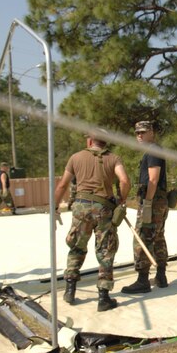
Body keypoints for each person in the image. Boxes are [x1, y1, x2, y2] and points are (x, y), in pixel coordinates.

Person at [54, 129, 130, 312]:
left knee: (77, 247)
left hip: (81, 207)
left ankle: (70, 289)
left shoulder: (76, 157)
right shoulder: (114, 158)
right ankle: (103, 297)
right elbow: (125, 181)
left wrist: (54, 206)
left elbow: (63, 184)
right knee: (105, 250)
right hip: (104, 208)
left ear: (90, 141)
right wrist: (121, 200)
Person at [121, 120, 170, 293]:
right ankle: (161, 276)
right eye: (137, 133)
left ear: (152, 132)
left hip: (153, 202)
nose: (139, 135)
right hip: (157, 201)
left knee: (142, 238)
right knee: (157, 237)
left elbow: (153, 179)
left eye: (143, 132)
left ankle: (143, 280)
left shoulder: (154, 151)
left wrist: (148, 202)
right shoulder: (152, 151)